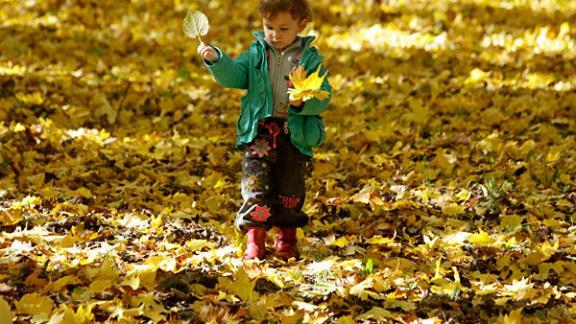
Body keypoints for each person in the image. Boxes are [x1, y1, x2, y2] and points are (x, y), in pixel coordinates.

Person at [197, 0, 331, 260]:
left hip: (294, 133)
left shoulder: (311, 60)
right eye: (269, 27)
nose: (274, 35)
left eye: (283, 28)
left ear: (301, 24)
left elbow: (324, 95)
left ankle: (287, 238)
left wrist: (304, 102)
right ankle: (255, 239)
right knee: (255, 185)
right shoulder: (257, 54)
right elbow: (234, 76)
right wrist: (216, 59)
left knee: (290, 190)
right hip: (259, 132)